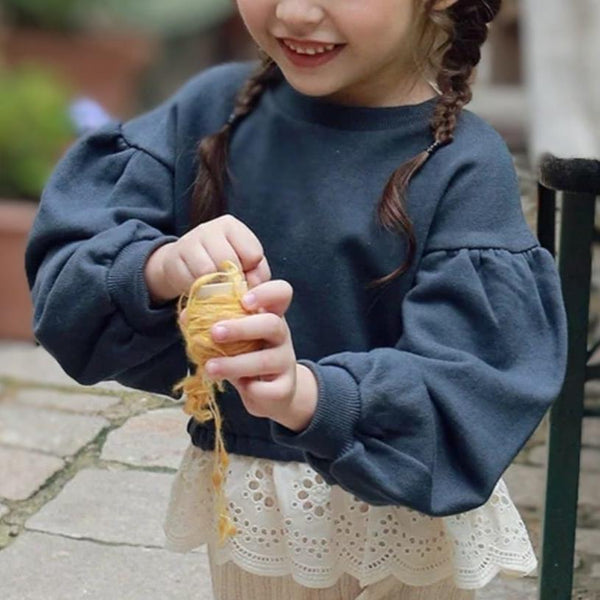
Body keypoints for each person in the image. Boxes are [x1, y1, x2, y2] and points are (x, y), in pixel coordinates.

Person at [25, 0, 567, 598]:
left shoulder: (461, 164)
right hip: (258, 514)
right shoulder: (213, 114)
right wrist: (160, 266)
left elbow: (476, 378)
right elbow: (69, 282)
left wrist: (307, 396)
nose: (294, 11)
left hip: (409, 526)